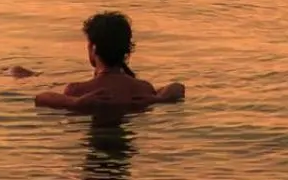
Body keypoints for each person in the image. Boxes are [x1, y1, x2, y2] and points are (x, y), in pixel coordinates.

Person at [27, 12, 186, 113]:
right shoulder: (143, 89)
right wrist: (159, 99)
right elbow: (178, 87)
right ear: (127, 50)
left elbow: (40, 98)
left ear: (93, 48)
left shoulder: (78, 91)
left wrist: (73, 102)